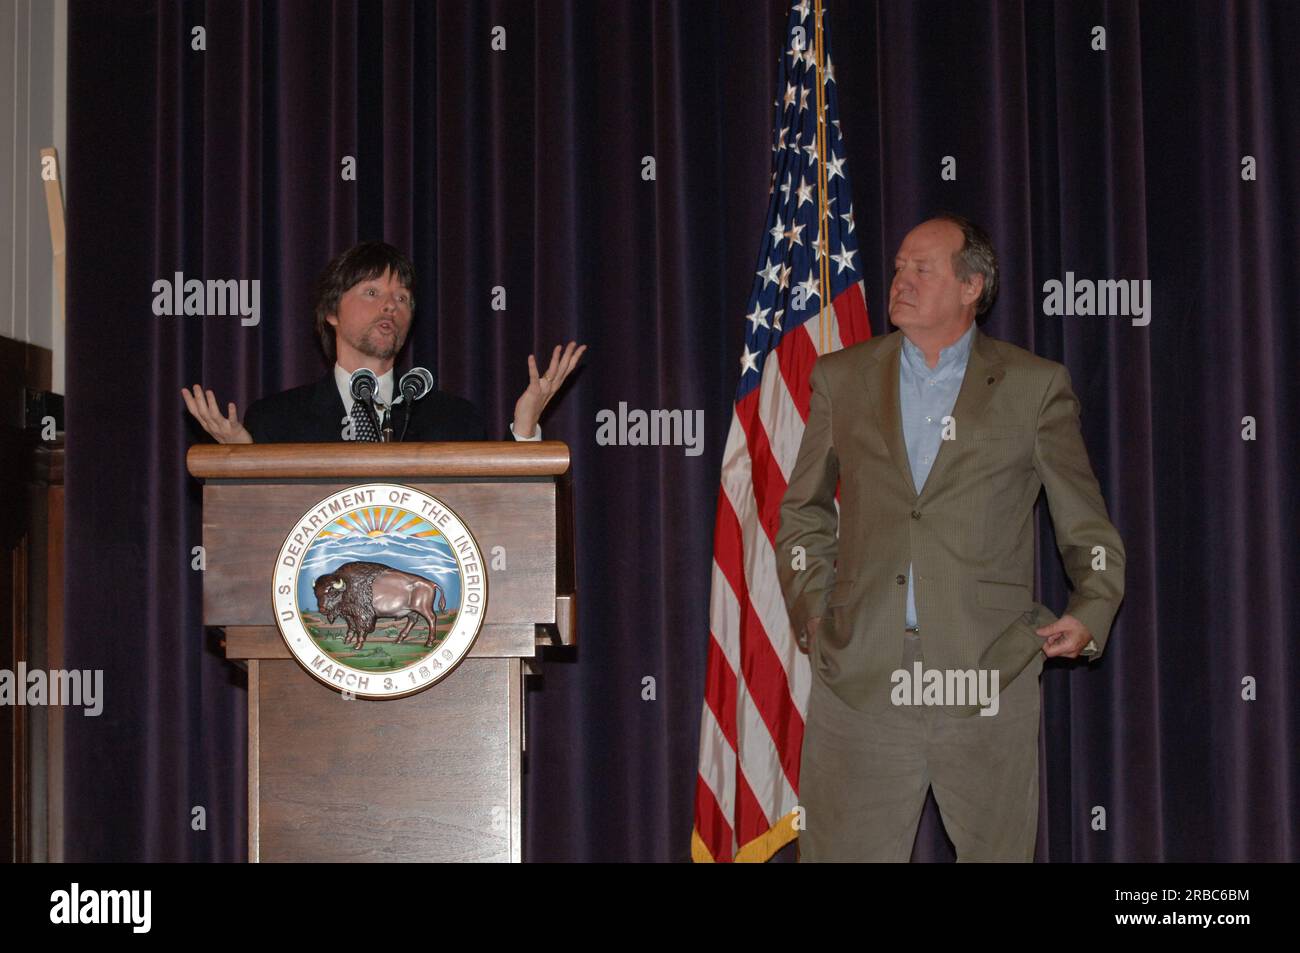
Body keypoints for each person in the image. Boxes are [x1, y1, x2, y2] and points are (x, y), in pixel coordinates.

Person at [776, 214, 1125, 862]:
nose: (901, 280)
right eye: (900, 267)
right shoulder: (841, 378)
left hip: (986, 677)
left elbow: (1089, 529)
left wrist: (1094, 606)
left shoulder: (1032, 388)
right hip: (861, 681)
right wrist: (816, 615)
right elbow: (802, 514)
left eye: (922, 268)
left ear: (972, 287)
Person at [181, 241, 585, 444]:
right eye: (372, 293)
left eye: (403, 298)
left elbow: (502, 510)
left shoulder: (455, 420)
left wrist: (527, 427)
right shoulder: (275, 422)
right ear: (331, 312)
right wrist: (242, 463)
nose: (391, 306)